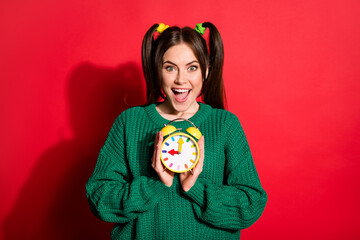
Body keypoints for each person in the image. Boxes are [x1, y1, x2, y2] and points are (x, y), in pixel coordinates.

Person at [86, 22, 267, 240]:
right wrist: (154, 184)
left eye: (192, 67)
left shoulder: (225, 124)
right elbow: (99, 198)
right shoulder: (129, 122)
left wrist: (196, 188)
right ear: (157, 71)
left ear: (206, 70)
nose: (181, 79)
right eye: (170, 67)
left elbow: (251, 204)